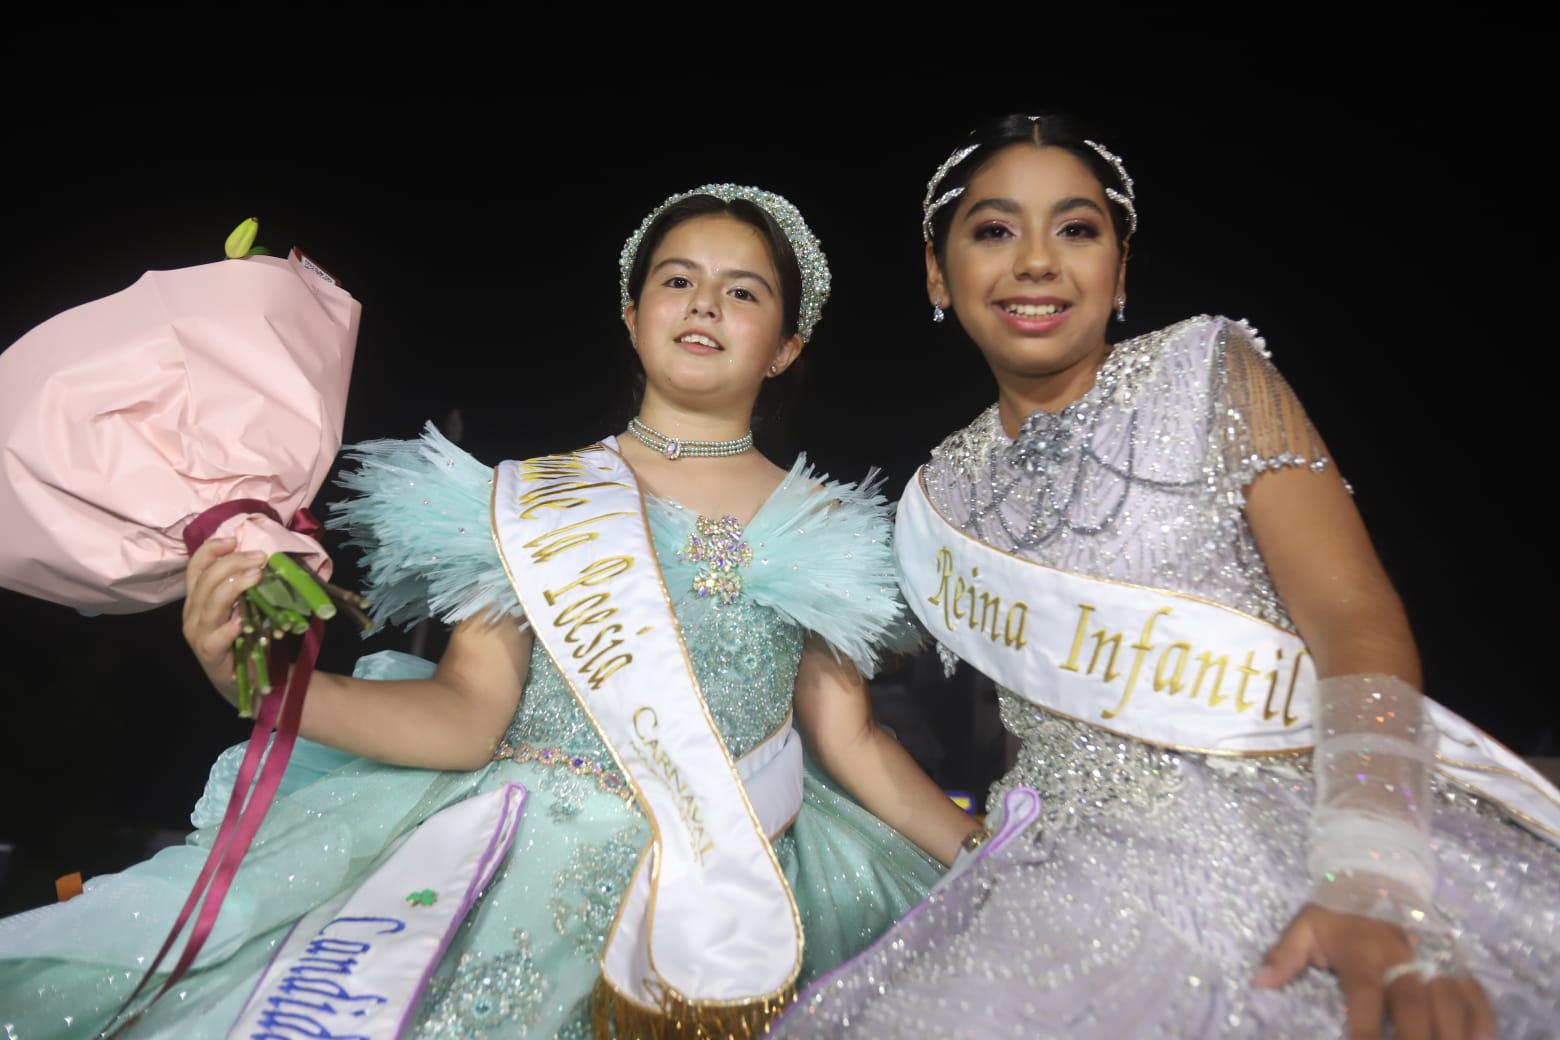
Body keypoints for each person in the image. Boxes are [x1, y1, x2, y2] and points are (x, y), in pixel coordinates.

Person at [0, 183, 977, 1039]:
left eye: (743, 289)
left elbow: (851, 739)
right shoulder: (533, 501)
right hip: (513, 865)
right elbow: (467, 712)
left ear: (787, 343)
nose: (704, 304)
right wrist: (276, 689)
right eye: (677, 279)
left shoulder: (826, 528)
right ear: (633, 312)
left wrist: (991, 857)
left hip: (738, 888)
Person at [774, 115, 1559, 1040]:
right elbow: (889, 714)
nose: (1036, 261)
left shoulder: (1208, 369)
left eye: (1076, 229)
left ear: (1121, 270)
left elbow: (1355, 619)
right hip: (1068, 883)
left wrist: (1372, 875)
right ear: (938, 275)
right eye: (994, 231)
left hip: (1299, 835)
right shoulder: (938, 494)